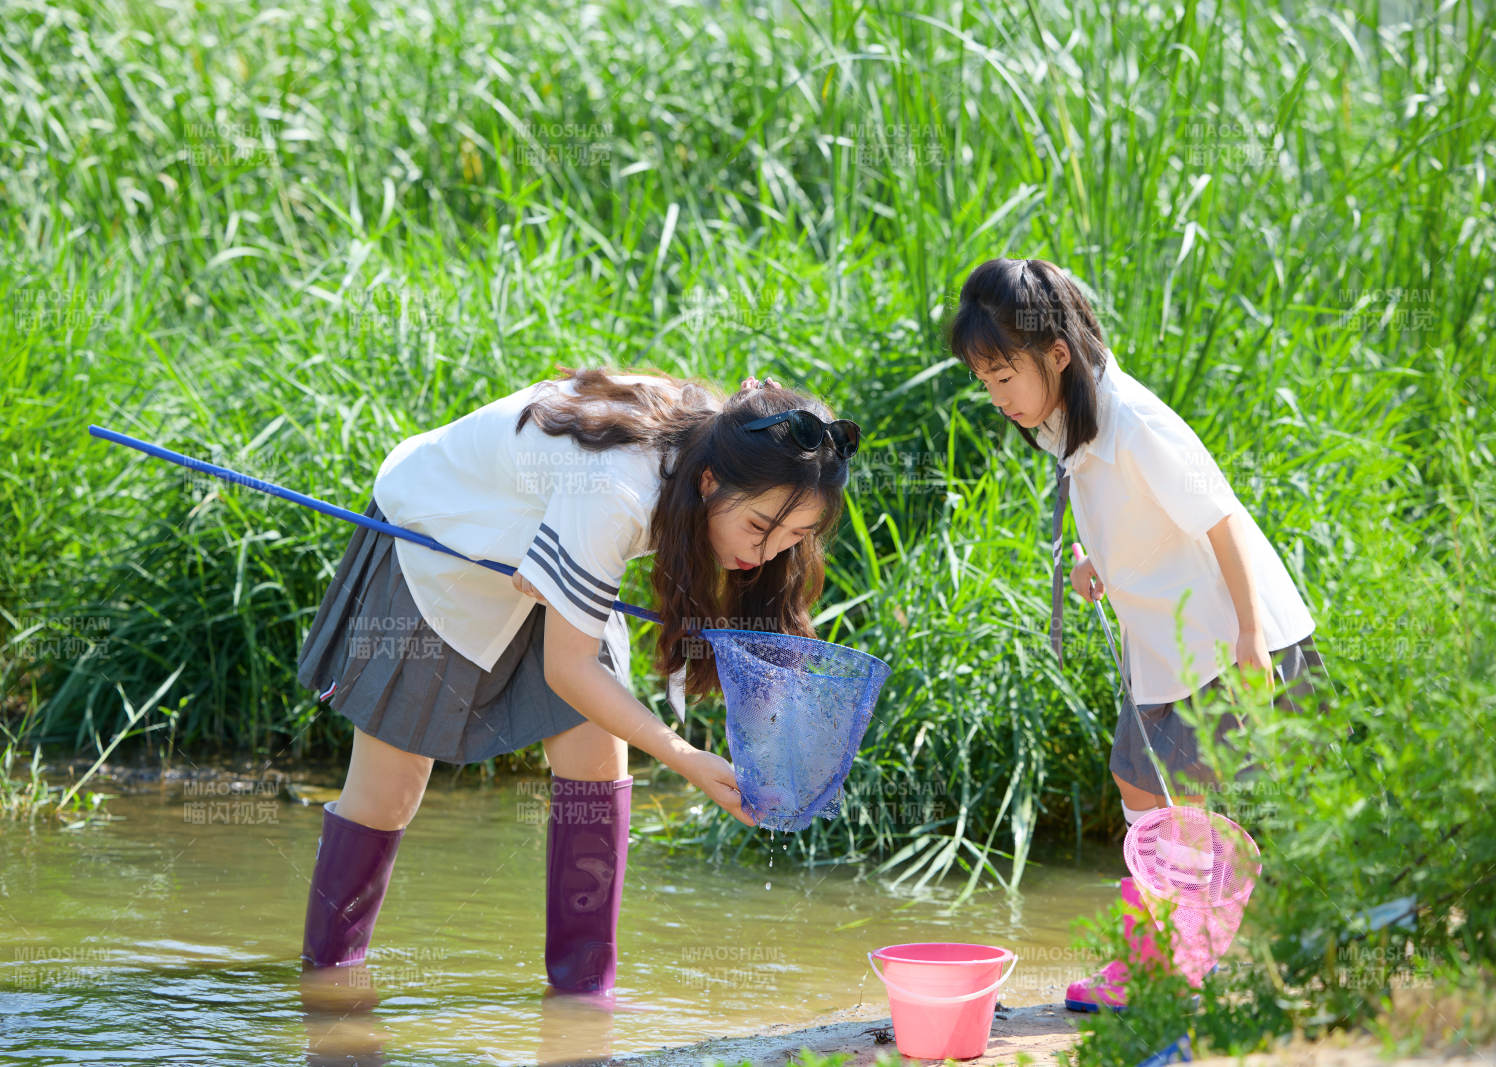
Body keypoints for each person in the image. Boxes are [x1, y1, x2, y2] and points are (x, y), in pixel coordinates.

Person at [293, 366, 859, 996]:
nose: (768, 553)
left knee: (596, 760)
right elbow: (569, 669)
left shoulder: (731, 450)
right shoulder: (617, 492)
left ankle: (584, 998)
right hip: (445, 542)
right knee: (390, 790)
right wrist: (687, 759)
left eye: (796, 536)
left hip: (552, 542)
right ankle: (327, 985)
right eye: (758, 528)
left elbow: (578, 629)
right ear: (708, 481)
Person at [947, 258, 1326, 1011]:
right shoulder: (1069, 417)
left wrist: (1251, 638)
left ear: (1057, 353)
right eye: (985, 382)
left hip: (1225, 636)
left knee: (1188, 798)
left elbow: (1219, 519)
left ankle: (1174, 966)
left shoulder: (1136, 423)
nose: (998, 399)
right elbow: (1128, 514)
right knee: (1140, 785)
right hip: (1163, 644)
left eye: (1003, 377)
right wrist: (1095, 562)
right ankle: (1159, 957)